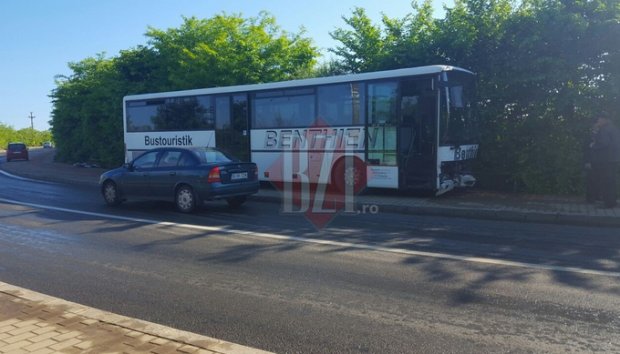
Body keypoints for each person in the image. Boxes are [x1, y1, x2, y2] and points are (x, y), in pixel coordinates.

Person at [586, 114, 620, 208]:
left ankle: (608, 204)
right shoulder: (614, 128)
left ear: (605, 120)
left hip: (605, 159)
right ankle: (612, 202)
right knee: (611, 181)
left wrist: (594, 146)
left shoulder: (604, 129)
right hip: (614, 159)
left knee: (606, 182)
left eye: (599, 120)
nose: (598, 122)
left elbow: (604, 143)